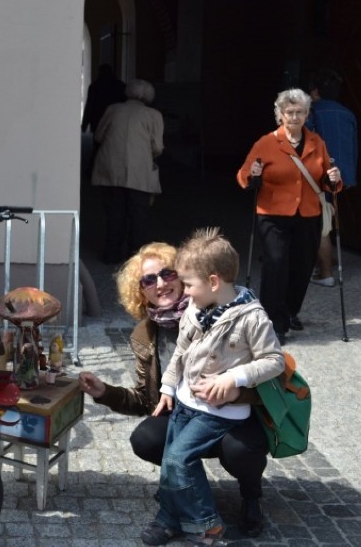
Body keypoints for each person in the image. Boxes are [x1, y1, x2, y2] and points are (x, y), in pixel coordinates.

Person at [79, 241, 270, 538]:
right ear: (140, 291)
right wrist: (104, 391)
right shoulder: (145, 333)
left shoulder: (219, 312)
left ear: (184, 276)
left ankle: (250, 497)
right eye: (148, 279)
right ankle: (176, 509)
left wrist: (235, 389)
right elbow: (146, 399)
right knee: (150, 440)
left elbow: (269, 374)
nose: (160, 284)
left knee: (239, 450)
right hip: (184, 408)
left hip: (232, 416)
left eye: (168, 274)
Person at [138, 228, 285, 546]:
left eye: (189, 284)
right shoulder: (194, 309)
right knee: (170, 459)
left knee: (178, 460)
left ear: (214, 282)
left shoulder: (251, 318)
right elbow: (180, 350)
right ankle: (168, 518)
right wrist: (167, 386)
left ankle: (206, 526)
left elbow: (274, 361)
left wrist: (234, 378)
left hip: (220, 413)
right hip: (185, 404)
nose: (185, 292)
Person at [236, 88, 342, 344]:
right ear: (280, 115)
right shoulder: (266, 143)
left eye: (300, 112)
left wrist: (333, 180)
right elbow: (243, 176)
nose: (295, 116)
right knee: (276, 265)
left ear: (307, 114)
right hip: (273, 214)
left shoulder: (317, 142)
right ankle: (274, 324)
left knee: (302, 267)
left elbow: (327, 178)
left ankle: (290, 311)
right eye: (290, 112)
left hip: (308, 213)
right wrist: (254, 173)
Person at [91, 79, 164, 264]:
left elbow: (98, 135)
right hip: (139, 172)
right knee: (139, 215)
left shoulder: (113, 109)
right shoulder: (153, 115)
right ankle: (136, 259)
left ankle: (111, 254)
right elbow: (158, 147)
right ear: (149, 96)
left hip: (110, 168)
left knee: (114, 213)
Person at [306, 69, 358, 287]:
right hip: (342, 173)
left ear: (315, 91)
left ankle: (326, 273)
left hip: (319, 175)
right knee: (329, 216)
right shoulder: (348, 113)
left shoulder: (312, 113)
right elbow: (354, 145)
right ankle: (325, 263)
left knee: (321, 225)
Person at [81, 63, 126, 135]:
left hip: (97, 120)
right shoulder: (121, 86)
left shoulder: (94, 86)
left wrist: (84, 126)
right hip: (115, 119)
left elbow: (89, 106)